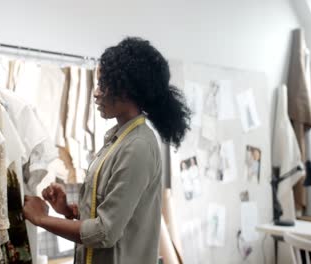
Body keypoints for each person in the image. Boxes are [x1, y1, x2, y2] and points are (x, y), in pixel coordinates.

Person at [22, 37, 191, 264]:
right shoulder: (117, 140)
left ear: (126, 90)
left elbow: (104, 233)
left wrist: (41, 219)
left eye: (103, 85)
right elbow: (112, 217)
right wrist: (68, 211)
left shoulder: (137, 147)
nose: (96, 93)